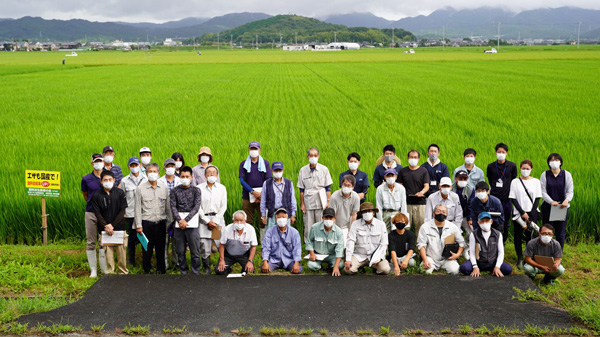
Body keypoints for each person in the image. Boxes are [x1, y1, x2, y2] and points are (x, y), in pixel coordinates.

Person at [134, 162, 172, 274]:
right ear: (146, 173)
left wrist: (169, 223)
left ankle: (161, 269)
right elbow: (137, 208)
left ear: (159, 173)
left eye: (154, 171)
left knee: (161, 248)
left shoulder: (163, 187)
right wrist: (138, 226)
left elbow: (168, 207)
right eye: (150, 171)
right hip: (146, 223)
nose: (152, 174)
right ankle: (147, 269)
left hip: (160, 223)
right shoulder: (140, 188)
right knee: (147, 249)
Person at [91, 170, 128, 274]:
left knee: (121, 253)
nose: (108, 181)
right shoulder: (97, 195)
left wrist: (112, 225)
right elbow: (97, 213)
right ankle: (110, 275)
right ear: (101, 181)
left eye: (110, 179)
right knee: (108, 255)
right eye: (105, 180)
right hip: (104, 229)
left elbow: (122, 211)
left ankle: (123, 273)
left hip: (119, 228)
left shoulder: (120, 193)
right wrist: (106, 226)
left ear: (114, 180)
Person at [509, 160, 542, 269]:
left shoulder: (536, 181)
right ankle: (520, 258)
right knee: (518, 236)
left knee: (530, 236)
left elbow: (537, 198)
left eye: (527, 168)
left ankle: (529, 257)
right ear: (520, 168)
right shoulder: (515, 182)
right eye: (523, 168)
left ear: (531, 169)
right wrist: (523, 213)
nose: (525, 170)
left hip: (532, 212)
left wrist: (531, 213)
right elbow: (513, 198)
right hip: (518, 214)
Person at [170, 166, 202, 275]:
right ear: (179, 177)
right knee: (180, 250)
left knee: (195, 250)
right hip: (178, 224)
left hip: (192, 223)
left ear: (191, 177)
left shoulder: (196, 190)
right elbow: (173, 207)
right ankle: (183, 270)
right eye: (182, 176)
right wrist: (180, 220)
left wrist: (185, 220)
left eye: (187, 176)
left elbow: (196, 207)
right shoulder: (174, 191)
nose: (185, 178)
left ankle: (195, 271)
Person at [459, 212, 513, 277]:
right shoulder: (473, 234)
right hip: (479, 262)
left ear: (491, 221)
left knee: (508, 269)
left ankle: (494, 269)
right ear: (478, 223)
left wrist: (497, 266)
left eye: (487, 221)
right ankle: (478, 269)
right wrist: (475, 266)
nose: (485, 223)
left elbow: (501, 252)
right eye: (482, 221)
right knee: (464, 268)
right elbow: (472, 253)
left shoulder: (498, 234)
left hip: (493, 262)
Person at [298, 147, 333, 242]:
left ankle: (321, 243)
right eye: (311, 155)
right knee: (308, 225)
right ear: (307, 157)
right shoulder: (303, 170)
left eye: (315, 155)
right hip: (308, 201)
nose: (313, 157)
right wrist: (302, 204)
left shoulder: (324, 169)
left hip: (321, 201)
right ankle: (309, 245)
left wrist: (328, 201)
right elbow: (301, 189)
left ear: (318, 156)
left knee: (321, 223)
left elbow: (328, 188)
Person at [417, 204, 465, 275]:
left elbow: (462, 243)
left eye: (443, 212)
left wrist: (457, 255)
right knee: (424, 271)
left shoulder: (453, 227)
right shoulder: (425, 227)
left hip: (447, 259)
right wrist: (425, 260)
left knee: (455, 270)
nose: (441, 213)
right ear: (433, 214)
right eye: (438, 211)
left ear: (446, 214)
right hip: (431, 258)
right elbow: (421, 245)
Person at [345, 202, 391, 275]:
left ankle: (374, 268)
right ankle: (360, 267)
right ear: (361, 214)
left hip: (375, 256)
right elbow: (351, 241)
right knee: (348, 269)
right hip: (359, 256)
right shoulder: (355, 224)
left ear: (373, 212)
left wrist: (379, 258)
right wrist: (348, 259)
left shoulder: (381, 224)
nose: (367, 213)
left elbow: (384, 244)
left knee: (385, 269)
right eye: (364, 211)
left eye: (369, 211)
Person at [540, 153, 573, 250]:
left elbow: (570, 191)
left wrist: (567, 200)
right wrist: (550, 201)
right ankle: (546, 252)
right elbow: (542, 191)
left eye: (556, 160)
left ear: (561, 162)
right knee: (547, 232)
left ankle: (558, 254)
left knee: (560, 233)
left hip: (562, 208)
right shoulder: (545, 174)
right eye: (552, 160)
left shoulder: (566, 174)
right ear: (548, 163)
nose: (554, 162)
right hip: (548, 207)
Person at [198, 165, 228, 274]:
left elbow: (223, 206)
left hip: (217, 220)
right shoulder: (199, 188)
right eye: (209, 172)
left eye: (214, 172)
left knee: (219, 242)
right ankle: (206, 267)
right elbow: (198, 207)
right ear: (205, 175)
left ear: (217, 175)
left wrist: (214, 221)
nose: (211, 174)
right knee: (204, 244)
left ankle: (222, 264)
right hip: (204, 220)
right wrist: (207, 221)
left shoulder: (221, 188)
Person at [487, 143, 518, 244]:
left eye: (503, 152)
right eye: (499, 152)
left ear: (507, 153)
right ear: (496, 152)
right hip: (494, 199)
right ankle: (492, 242)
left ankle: (502, 242)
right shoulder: (491, 166)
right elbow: (490, 180)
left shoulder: (512, 166)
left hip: (507, 199)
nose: (501, 154)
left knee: (506, 223)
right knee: (492, 221)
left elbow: (513, 180)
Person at [82, 153, 107, 278]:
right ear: (92, 163)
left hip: (104, 213)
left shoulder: (107, 177)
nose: (98, 163)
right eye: (96, 161)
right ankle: (93, 270)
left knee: (103, 240)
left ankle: (103, 268)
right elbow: (85, 195)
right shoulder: (86, 179)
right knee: (91, 241)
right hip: (91, 212)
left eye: (100, 161)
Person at [120, 157, 147, 266]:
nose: (134, 167)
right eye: (132, 165)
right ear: (129, 167)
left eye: (136, 165)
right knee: (131, 239)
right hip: (131, 214)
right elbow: (122, 198)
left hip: (144, 213)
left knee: (144, 238)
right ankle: (131, 261)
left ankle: (146, 260)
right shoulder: (124, 181)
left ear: (140, 165)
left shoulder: (146, 179)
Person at [239, 141, 272, 233]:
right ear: (249, 150)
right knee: (247, 221)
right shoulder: (243, 164)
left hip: (262, 197)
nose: (253, 151)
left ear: (259, 150)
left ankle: (263, 244)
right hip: (247, 196)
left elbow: (269, 180)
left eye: (255, 149)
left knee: (263, 220)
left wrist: (261, 195)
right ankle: (248, 243)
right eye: (252, 149)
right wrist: (253, 192)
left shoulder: (265, 163)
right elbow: (242, 180)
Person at [260, 162, 297, 236]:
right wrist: (263, 215)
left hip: (285, 213)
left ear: (283, 170)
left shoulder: (289, 183)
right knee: (270, 234)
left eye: (279, 170)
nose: (278, 172)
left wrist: (293, 214)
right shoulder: (266, 183)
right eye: (276, 171)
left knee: (286, 234)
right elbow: (263, 200)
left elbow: (292, 199)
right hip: (272, 213)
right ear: (272, 171)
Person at [215, 210, 258, 275]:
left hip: (244, 255)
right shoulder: (227, 229)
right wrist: (222, 260)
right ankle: (228, 268)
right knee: (219, 271)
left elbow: (253, 246)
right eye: (236, 220)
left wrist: (250, 261)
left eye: (241, 220)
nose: (239, 223)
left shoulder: (251, 229)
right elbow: (222, 244)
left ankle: (245, 268)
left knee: (249, 271)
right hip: (229, 255)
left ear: (245, 221)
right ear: (233, 221)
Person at [398, 150, 430, 235]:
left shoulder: (423, 171)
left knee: (420, 229)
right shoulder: (403, 171)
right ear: (408, 158)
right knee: (405, 227)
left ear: (419, 159)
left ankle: (418, 248)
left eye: (415, 157)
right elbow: (399, 186)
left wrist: (421, 192)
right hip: (406, 204)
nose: (413, 159)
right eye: (411, 157)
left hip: (420, 204)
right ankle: (407, 248)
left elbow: (426, 186)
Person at [261, 208, 302, 274]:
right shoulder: (270, 231)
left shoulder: (294, 232)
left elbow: (297, 249)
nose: (281, 219)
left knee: (298, 270)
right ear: (275, 218)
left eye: (283, 217)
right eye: (279, 217)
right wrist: (265, 262)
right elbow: (266, 248)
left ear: (287, 218)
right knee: (264, 270)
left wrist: (296, 263)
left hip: (289, 260)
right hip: (274, 260)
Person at [306, 208, 345, 276]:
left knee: (340, 265)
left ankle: (331, 268)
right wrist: (312, 254)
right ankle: (320, 268)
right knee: (311, 265)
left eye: (331, 218)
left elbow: (339, 250)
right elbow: (309, 241)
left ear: (334, 219)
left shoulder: (339, 232)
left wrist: (336, 267)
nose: (328, 220)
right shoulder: (314, 227)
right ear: (322, 218)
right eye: (326, 218)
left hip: (332, 255)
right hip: (318, 254)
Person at [159, 158, 181, 270]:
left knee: (176, 239)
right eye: (168, 166)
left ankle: (176, 263)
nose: (170, 168)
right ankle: (164, 264)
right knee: (164, 239)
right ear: (164, 168)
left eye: (172, 166)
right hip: (163, 213)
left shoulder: (180, 181)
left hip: (177, 214)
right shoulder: (159, 181)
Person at [452, 170, 475, 243]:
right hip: (454, 216)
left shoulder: (471, 189)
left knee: (471, 232)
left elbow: (470, 205)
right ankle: (455, 248)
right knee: (453, 232)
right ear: (456, 179)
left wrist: (469, 218)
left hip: (465, 215)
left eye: (465, 179)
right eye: (460, 179)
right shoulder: (451, 188)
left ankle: (465, 246)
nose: (463, 180)